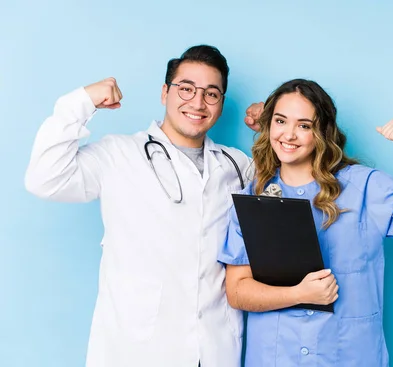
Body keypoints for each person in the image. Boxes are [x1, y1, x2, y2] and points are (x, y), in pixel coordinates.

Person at [24, 45, 257, 367]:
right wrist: (78, 102)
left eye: (211, 94)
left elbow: (290, 197)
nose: (198, 102)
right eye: (186, 89)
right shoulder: (118, 154)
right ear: (165, 92)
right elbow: (44, 179)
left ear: (221, 104)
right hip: (137, 349)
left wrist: (272, 130)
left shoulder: (236, 164)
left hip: (216, 347)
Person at [218, 79, 393, 366]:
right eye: (281, 121)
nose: (289, 134)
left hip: (349, 354)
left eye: (304, 125)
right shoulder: (251, 198)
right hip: (277, 355)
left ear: (321, 133)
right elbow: (238, 291)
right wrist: (297, 294)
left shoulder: (363, 186)